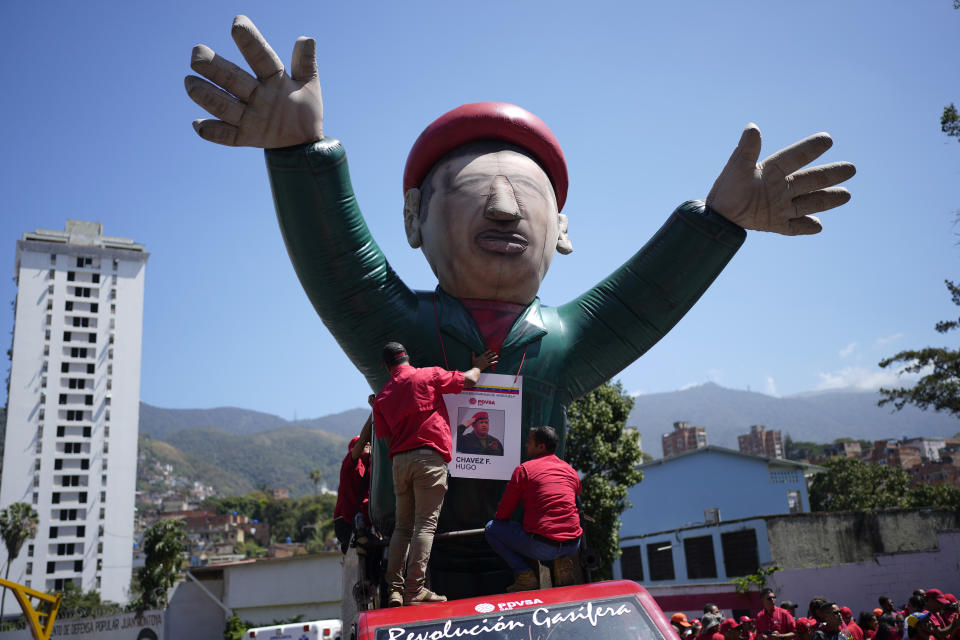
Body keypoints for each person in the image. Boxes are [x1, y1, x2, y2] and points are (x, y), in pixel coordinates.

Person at [183, 18, 857, 573]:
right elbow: (339, 266)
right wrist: (302, 156)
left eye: (529, 195)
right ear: (415, 219)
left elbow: (644, 299)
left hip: (522, 553)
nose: (505, 209)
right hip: (413, 555)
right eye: (476, 191)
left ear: (561, 230)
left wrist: (717, 224)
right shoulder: (404, 329)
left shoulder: (558, 343)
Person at [373, 342, 497, 606]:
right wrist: (479, 365)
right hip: (428, 458)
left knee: (402, 527)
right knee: (425, 526)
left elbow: (385, 437)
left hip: (400, 462)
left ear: (386, 367)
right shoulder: (427, 375)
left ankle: (394, 590)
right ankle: (415, 590)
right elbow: (469, 380)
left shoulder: (382, 396)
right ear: (407, 357)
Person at [484, 426, 582, 592]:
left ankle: (525, 575)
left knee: (491, 528)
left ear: (541, 446)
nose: (526, 446)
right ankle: (562, 563)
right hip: (573, 544)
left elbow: (504, 513)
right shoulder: (570, 470)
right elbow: (575, 497)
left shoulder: (524, 470)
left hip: (542, 547)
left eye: (529, 442)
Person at [333, 397, 375, 553]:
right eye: (365, 443)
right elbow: (364, 438)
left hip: (363, 522)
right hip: (347, 523)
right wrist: (374, 412)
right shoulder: (349, 465)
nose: (368, 444)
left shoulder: (371, 467)